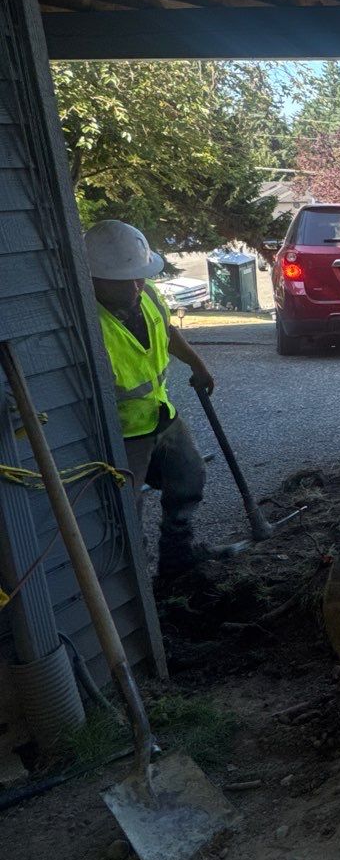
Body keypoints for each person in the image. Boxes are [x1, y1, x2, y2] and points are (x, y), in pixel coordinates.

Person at [84, 219, 214, 585]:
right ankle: (138, 585)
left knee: (190, 475)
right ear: (94, 279)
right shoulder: (88, 322)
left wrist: (197, 363)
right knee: (128, 510)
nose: (137, 285)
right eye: (126, 280)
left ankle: (176, 561)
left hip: (161, 414)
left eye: (140, 276)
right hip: (123, 434)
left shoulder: (149, 293)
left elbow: (167, 330)